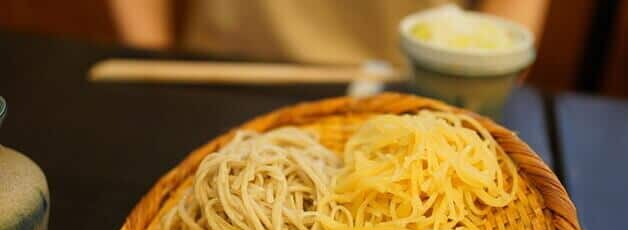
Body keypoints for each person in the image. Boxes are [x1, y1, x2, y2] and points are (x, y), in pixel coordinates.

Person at [108, 0, 549, 65]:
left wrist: (499, 59)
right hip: (222, 64)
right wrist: (151, 53)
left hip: (413, 81)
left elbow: (512, 28)